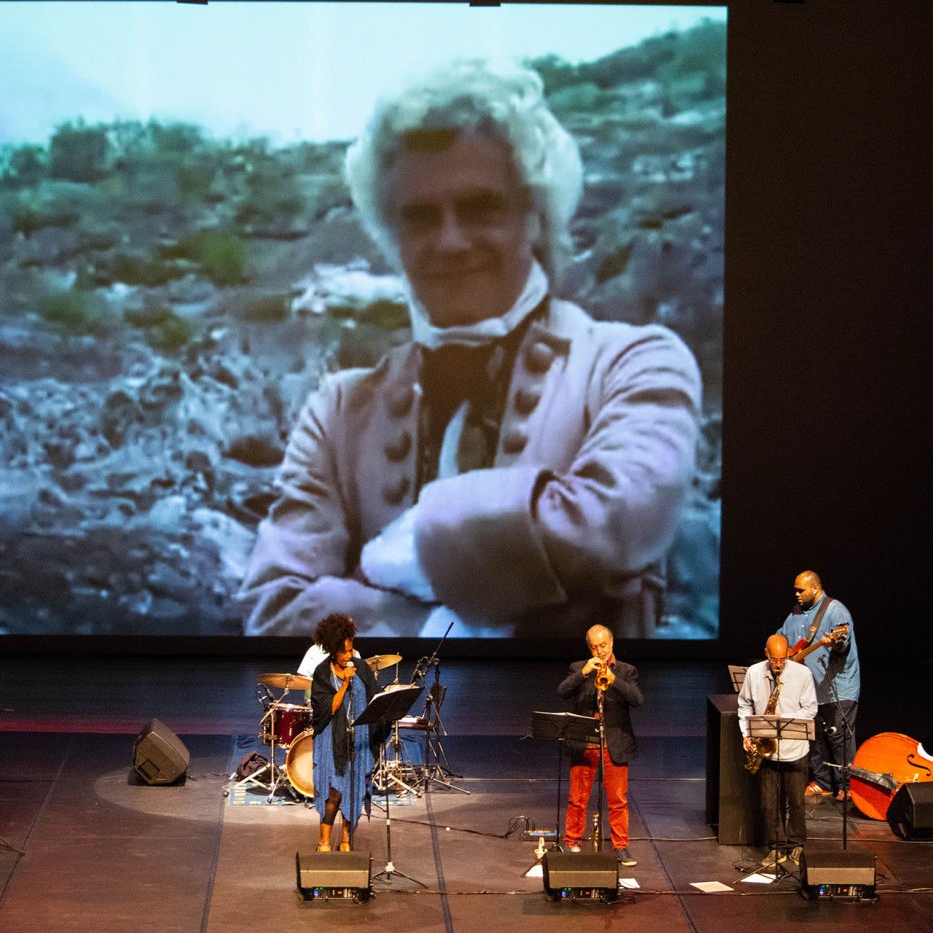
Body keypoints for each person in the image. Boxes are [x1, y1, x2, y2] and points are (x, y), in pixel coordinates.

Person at [240, 60, 702, 640]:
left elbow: (612, 520)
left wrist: (390, 584)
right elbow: (274, 612)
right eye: (420, 218)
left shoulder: (634, 364)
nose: (451, 240)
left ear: (534, 217)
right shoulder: (338, 411)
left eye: (481, 208)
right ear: (392, 235)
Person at [556, 624, 642, 866]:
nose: (600, 651)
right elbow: (562, 691)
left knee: (617, 799)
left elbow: (637, 699)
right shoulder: (578, 668)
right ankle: (572, 841)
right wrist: (584, 673)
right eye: (594, 647)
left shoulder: (626, 671)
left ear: (612, 643)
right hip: (585, 742)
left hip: (614, 741)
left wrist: (613, 680)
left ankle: (620, 847)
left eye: (603, 645)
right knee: (578, 797)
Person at [777, 570, 860, 800]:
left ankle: (848, 785)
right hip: (809, 690)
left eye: (801, 590)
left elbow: (842, 643)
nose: (796, 594)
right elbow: (781, 638)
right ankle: (823, 782)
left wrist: (835, 642)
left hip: (837, 689)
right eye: (795, 590)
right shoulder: (795, 613)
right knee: (815, 738)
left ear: (815, 588)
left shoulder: (835, 610)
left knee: (839, 738)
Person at [738, 634, 817, 870]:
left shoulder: (802, 674)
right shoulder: (754, 673)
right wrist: (747, 733)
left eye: (783, 660)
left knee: (796, 802)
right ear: (766, 654)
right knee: (769, 803)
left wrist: (786, 719)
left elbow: (810, 709)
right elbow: (744, 704)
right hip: (767, 750)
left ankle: (796, 844)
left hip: (795, 748)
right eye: (774, 660)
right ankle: (776, 847)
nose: (779, 665)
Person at [308, 613, 386, 852]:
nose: (350, 656)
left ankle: (346, 841)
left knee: (354, 791)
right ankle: (323, 841)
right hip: (332, 742)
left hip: (358, 740)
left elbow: (376, 698)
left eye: (352, 650)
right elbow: (328, 708)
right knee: (334, 792)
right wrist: (344, 684)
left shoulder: (361, 668)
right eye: (345, 652)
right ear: (334, 651)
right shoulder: (323, 673)